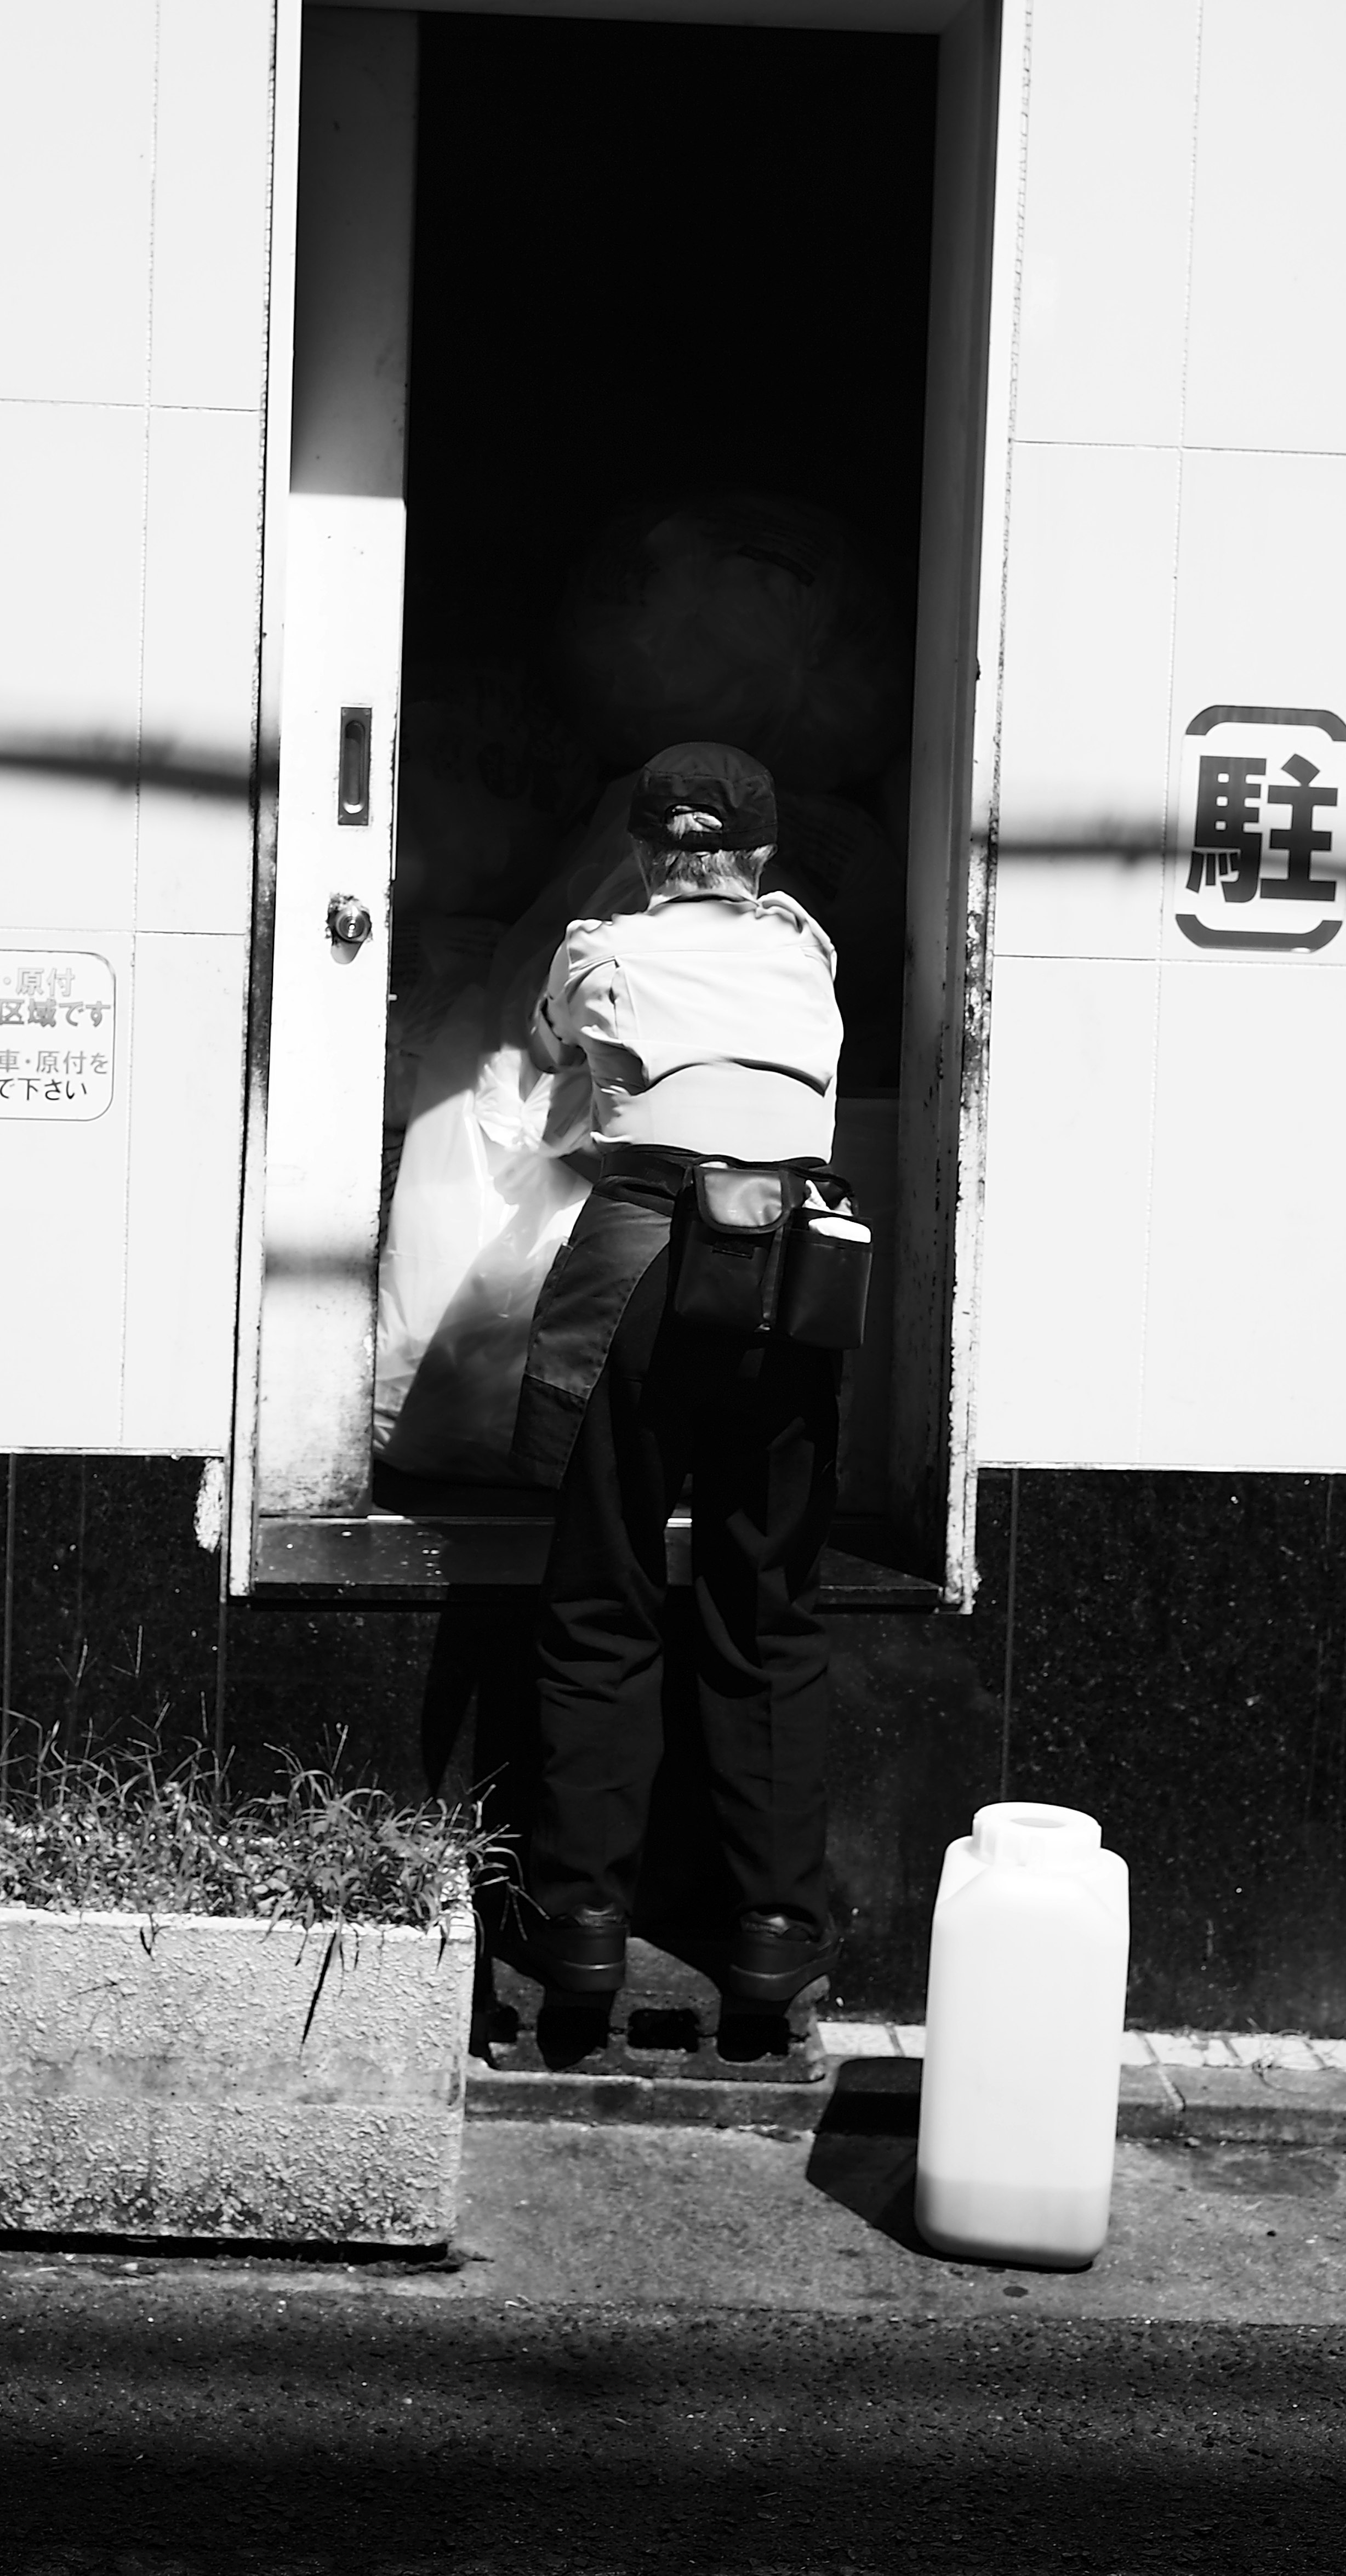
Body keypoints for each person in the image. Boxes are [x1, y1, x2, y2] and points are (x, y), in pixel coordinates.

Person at [505, 740, 848, 2011]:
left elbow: (545, 1051)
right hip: (802, 1270)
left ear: (646, 851)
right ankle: (771, 1933)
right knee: (769, 1605)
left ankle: (582, 1926)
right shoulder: (806, 946)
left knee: (605, 1599)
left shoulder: (602, 950)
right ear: (761, 854)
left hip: (649, 1256)